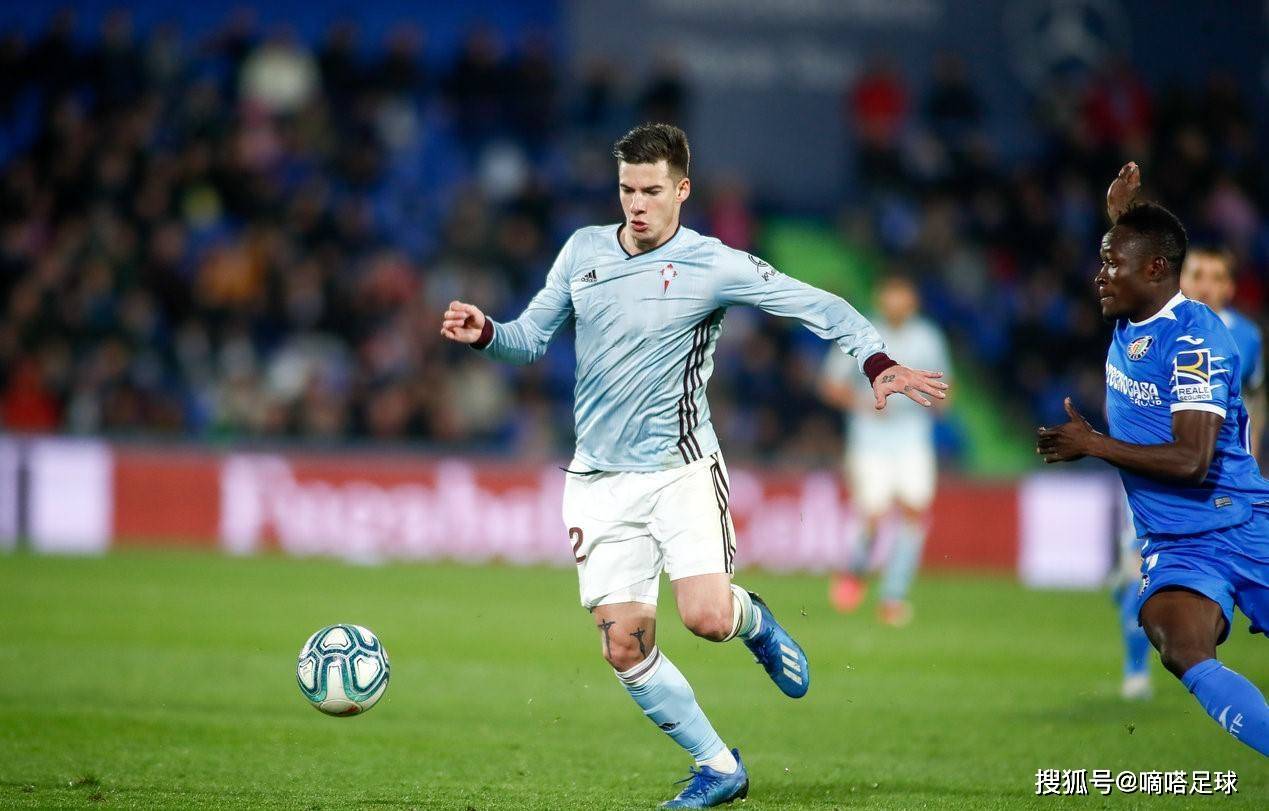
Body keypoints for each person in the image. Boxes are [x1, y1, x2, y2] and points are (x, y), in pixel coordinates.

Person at [441, 123, 948, 807]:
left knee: (706, 617)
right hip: (597, 481)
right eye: (627, 189)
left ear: (682, 190)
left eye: (651, 190)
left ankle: (752, 620)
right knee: (624, 647)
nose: (636, 203)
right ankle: (718, 765)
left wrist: (876, 360)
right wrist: (487, 334)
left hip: (680, 469)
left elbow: (814, 302)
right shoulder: (583, 250)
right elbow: (528, 340)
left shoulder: (711, 263)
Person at [1036, 162, 1269, 757]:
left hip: (1240, 523)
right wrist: (1120, 216)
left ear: (1156, 271)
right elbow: (1142, 248)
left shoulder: (1193, 341)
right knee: (1178, 643)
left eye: (1110, 264)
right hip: (1176, 541)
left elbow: (1192, 459)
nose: (1100, 276)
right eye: (1103, 261)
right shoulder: (1136, 307)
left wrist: (1093, 444)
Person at [818, 275, 951, 625]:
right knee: (873, 517)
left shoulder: (927, 337)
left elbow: (945, 384)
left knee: (914, 513)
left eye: (902, 297)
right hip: (870, 440)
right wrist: (863, 403)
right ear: (881, 300)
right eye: (891, 297)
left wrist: (941, 400)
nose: (896, 304)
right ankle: (855, 570)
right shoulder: (860, 332)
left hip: (912, 438)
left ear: (912, 301)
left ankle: (893, 596)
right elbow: (830, 385)